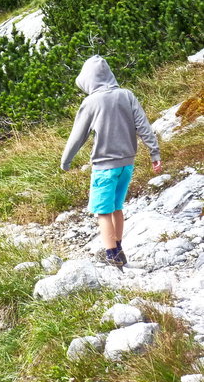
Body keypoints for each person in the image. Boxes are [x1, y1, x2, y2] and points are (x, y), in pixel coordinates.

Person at [61, 55, 162, 268]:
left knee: (102, 211)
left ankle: (112, 256)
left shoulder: (90, 102)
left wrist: (66, 161)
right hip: (127, 164)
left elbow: (77, 136)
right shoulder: (127, 95)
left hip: (104, 167)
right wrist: (154, 153)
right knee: (116, 207)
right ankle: (119, 247)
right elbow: (143, 126)